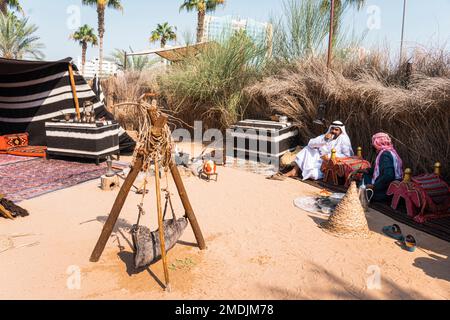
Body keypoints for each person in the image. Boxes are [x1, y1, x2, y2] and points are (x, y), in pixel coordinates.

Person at [281, 121, 354, 180]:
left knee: (313, 175)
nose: (333, 131)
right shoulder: (327, 135)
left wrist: (329, 156)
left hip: (330, 161)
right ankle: (294, 171)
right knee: (307, 148)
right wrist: (324, 139)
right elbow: (310, 143)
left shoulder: (344, 139)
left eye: (336, 129)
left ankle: (306, 171)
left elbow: (347, 156)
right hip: (320, 158)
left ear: (341, 130)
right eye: (332, 128)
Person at [363, 132, 404, 202]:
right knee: (367, 172)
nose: (372, 145)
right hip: (391, 184)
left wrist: (374, 186)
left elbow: (388, 175)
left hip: (386, 190)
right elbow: (380, 169)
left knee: (365, 181)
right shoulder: (391, 152)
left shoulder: (384, 155)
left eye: (373, 144)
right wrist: (368, 170)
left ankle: (368, 194)